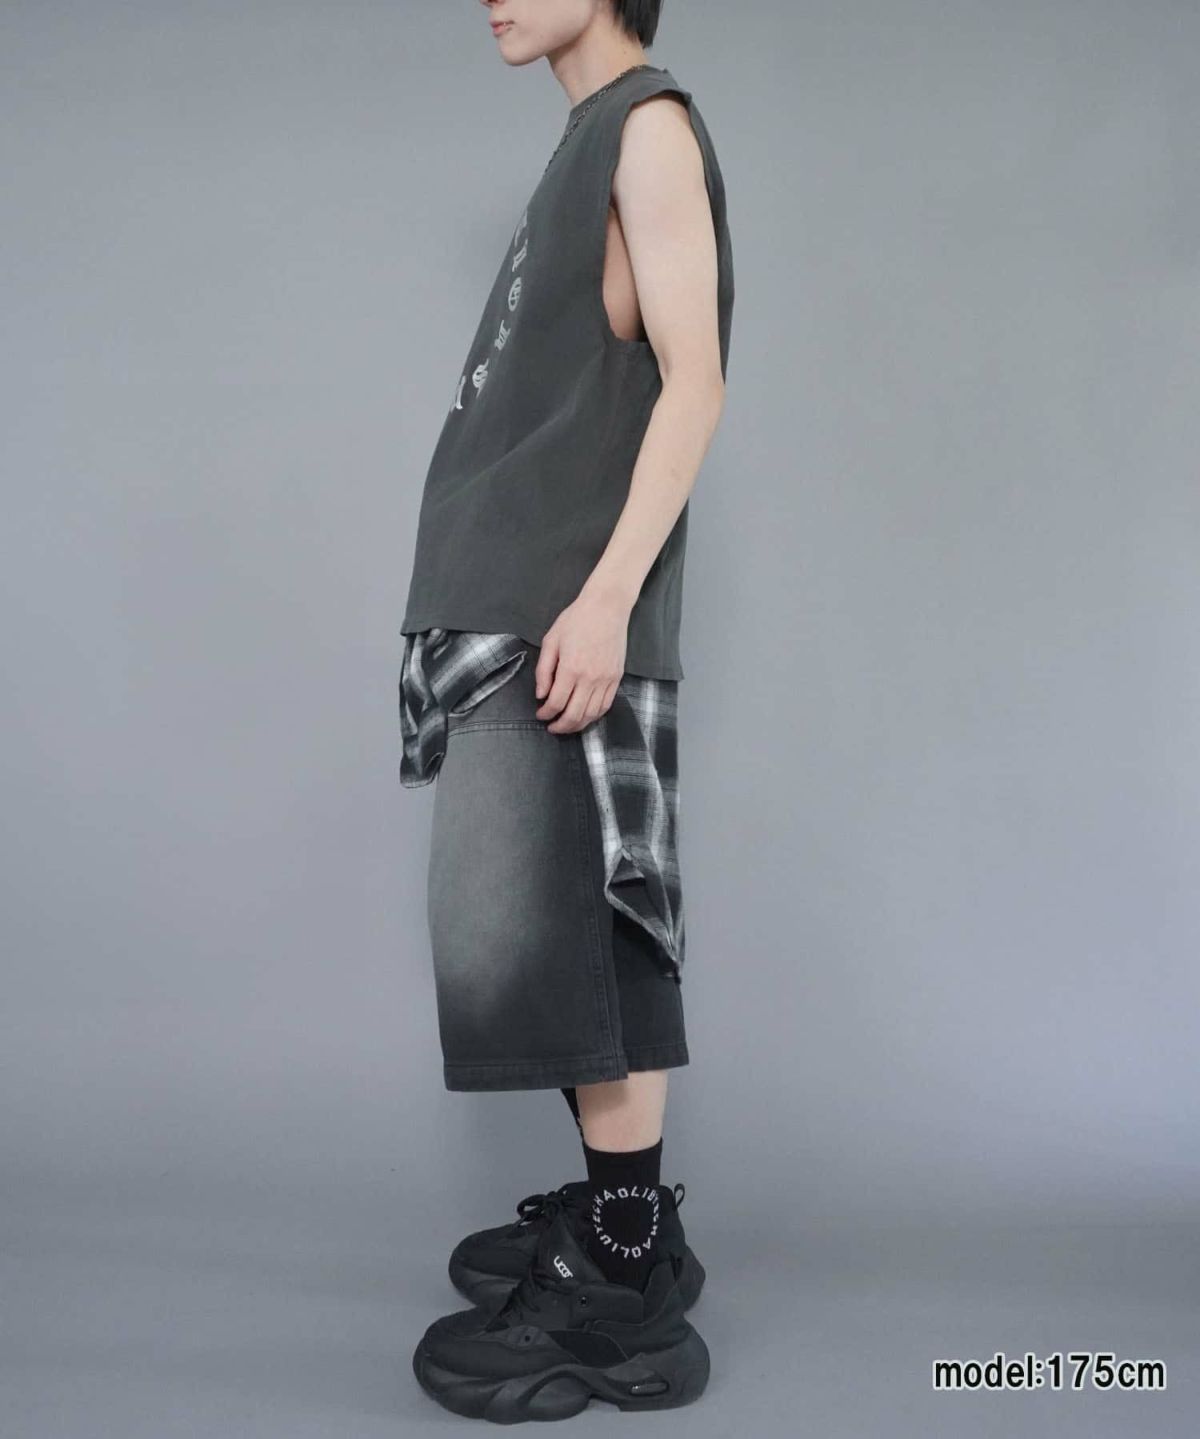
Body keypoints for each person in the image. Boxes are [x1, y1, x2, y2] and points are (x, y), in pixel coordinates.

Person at [399, 0, 734, 1420]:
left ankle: (619, 1273)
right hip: (516, 608)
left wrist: (600, 603)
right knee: (545, 941)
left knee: (583, 937)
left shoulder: (647, 128)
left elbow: (694, 383)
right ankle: (617, 1220)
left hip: (560, 617)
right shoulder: (590, 136)